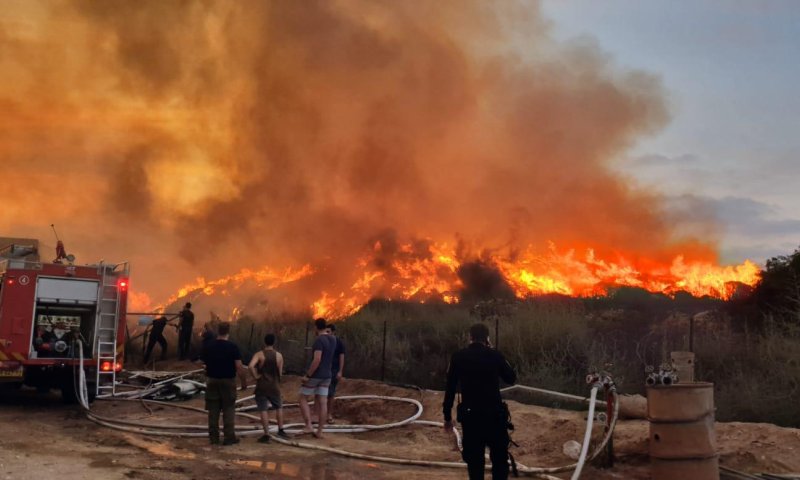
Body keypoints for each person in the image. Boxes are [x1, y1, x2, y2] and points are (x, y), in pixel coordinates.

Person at [443, 323, 517, 480]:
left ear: (470, 337)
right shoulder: (495, 355)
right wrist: (497, 355)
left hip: (471, 418)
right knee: (499, 461)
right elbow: (511, 378)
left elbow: (450, 389)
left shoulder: (458, 357)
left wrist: (447, 417)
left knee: (475, 463)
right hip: (494, 417)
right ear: (487, 338)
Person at [201, 322, 248, 446]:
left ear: (218, 331)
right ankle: (229, 437)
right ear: (228, 332)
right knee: (228, 409)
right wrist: (244, 382)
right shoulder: (232, 347)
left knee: (213, 410)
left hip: (212, 381)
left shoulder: (209, 346)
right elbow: (239, 366)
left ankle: (214, 438)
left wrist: (208, 370)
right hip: (228, 381)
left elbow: (202, 364)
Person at [299, 318, 336, 438]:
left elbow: (317, 360)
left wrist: (307, 375)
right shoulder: (333, 339)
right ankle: (320, 431)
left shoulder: (319, 341)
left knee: (302, 397)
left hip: (316, 375)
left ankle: (309, 425)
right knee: (323, 402)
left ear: (316, 327)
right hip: (327, 375)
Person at [248, 333, 289, 442]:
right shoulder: (279, 356)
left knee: (263, 409)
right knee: (279, 407)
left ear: (264, 342)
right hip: (274, 385)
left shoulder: (259, 354)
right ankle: (281, 430)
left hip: (262, 385)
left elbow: (251, 366)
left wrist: (256, 376)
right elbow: (280, 373)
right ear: (274, 342)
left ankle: (266, 434)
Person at [326, 323, 346, 424]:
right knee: (321, 394)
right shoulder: (324, 341)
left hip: (334, 371)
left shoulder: (339, 343)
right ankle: (319, 415)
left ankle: (329, 414)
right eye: (326, 331)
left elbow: (342, 357)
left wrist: (340, 371)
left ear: (333, 332)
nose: (326, 333)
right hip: (324, 371)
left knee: (331, 394)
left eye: (328, 331)